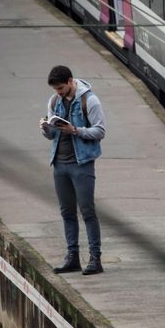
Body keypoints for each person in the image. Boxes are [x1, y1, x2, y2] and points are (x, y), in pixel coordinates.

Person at [40, 65, 106, 275]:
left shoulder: (89, 100)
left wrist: (75, 130)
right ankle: (72, 257)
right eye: (55, 89)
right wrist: (46, 129)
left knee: (87, 211)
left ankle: (95, 259)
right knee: (67, 212)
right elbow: (52, 136)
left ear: (70, 81)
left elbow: (100, 131)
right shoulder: (54, 101)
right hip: (59, 163)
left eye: (60, 88)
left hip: (81, 163)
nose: (58, 92)